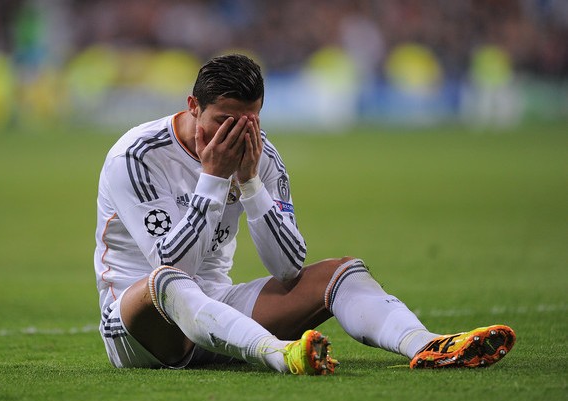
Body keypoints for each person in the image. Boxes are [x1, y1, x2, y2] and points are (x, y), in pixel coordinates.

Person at [94, 54, 515, 374]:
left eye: (248, 122)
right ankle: (280, 354)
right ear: (193, 106)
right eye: (222, 121)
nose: (235, 135)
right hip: (141, 328)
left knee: (342, 272)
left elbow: (288, 268)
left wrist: (251, 184)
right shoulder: (137, 156)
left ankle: (426, 344)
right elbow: (174, 267)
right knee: (168, 282)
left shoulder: (261, 154)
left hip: (218, 316)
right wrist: (214, 179)